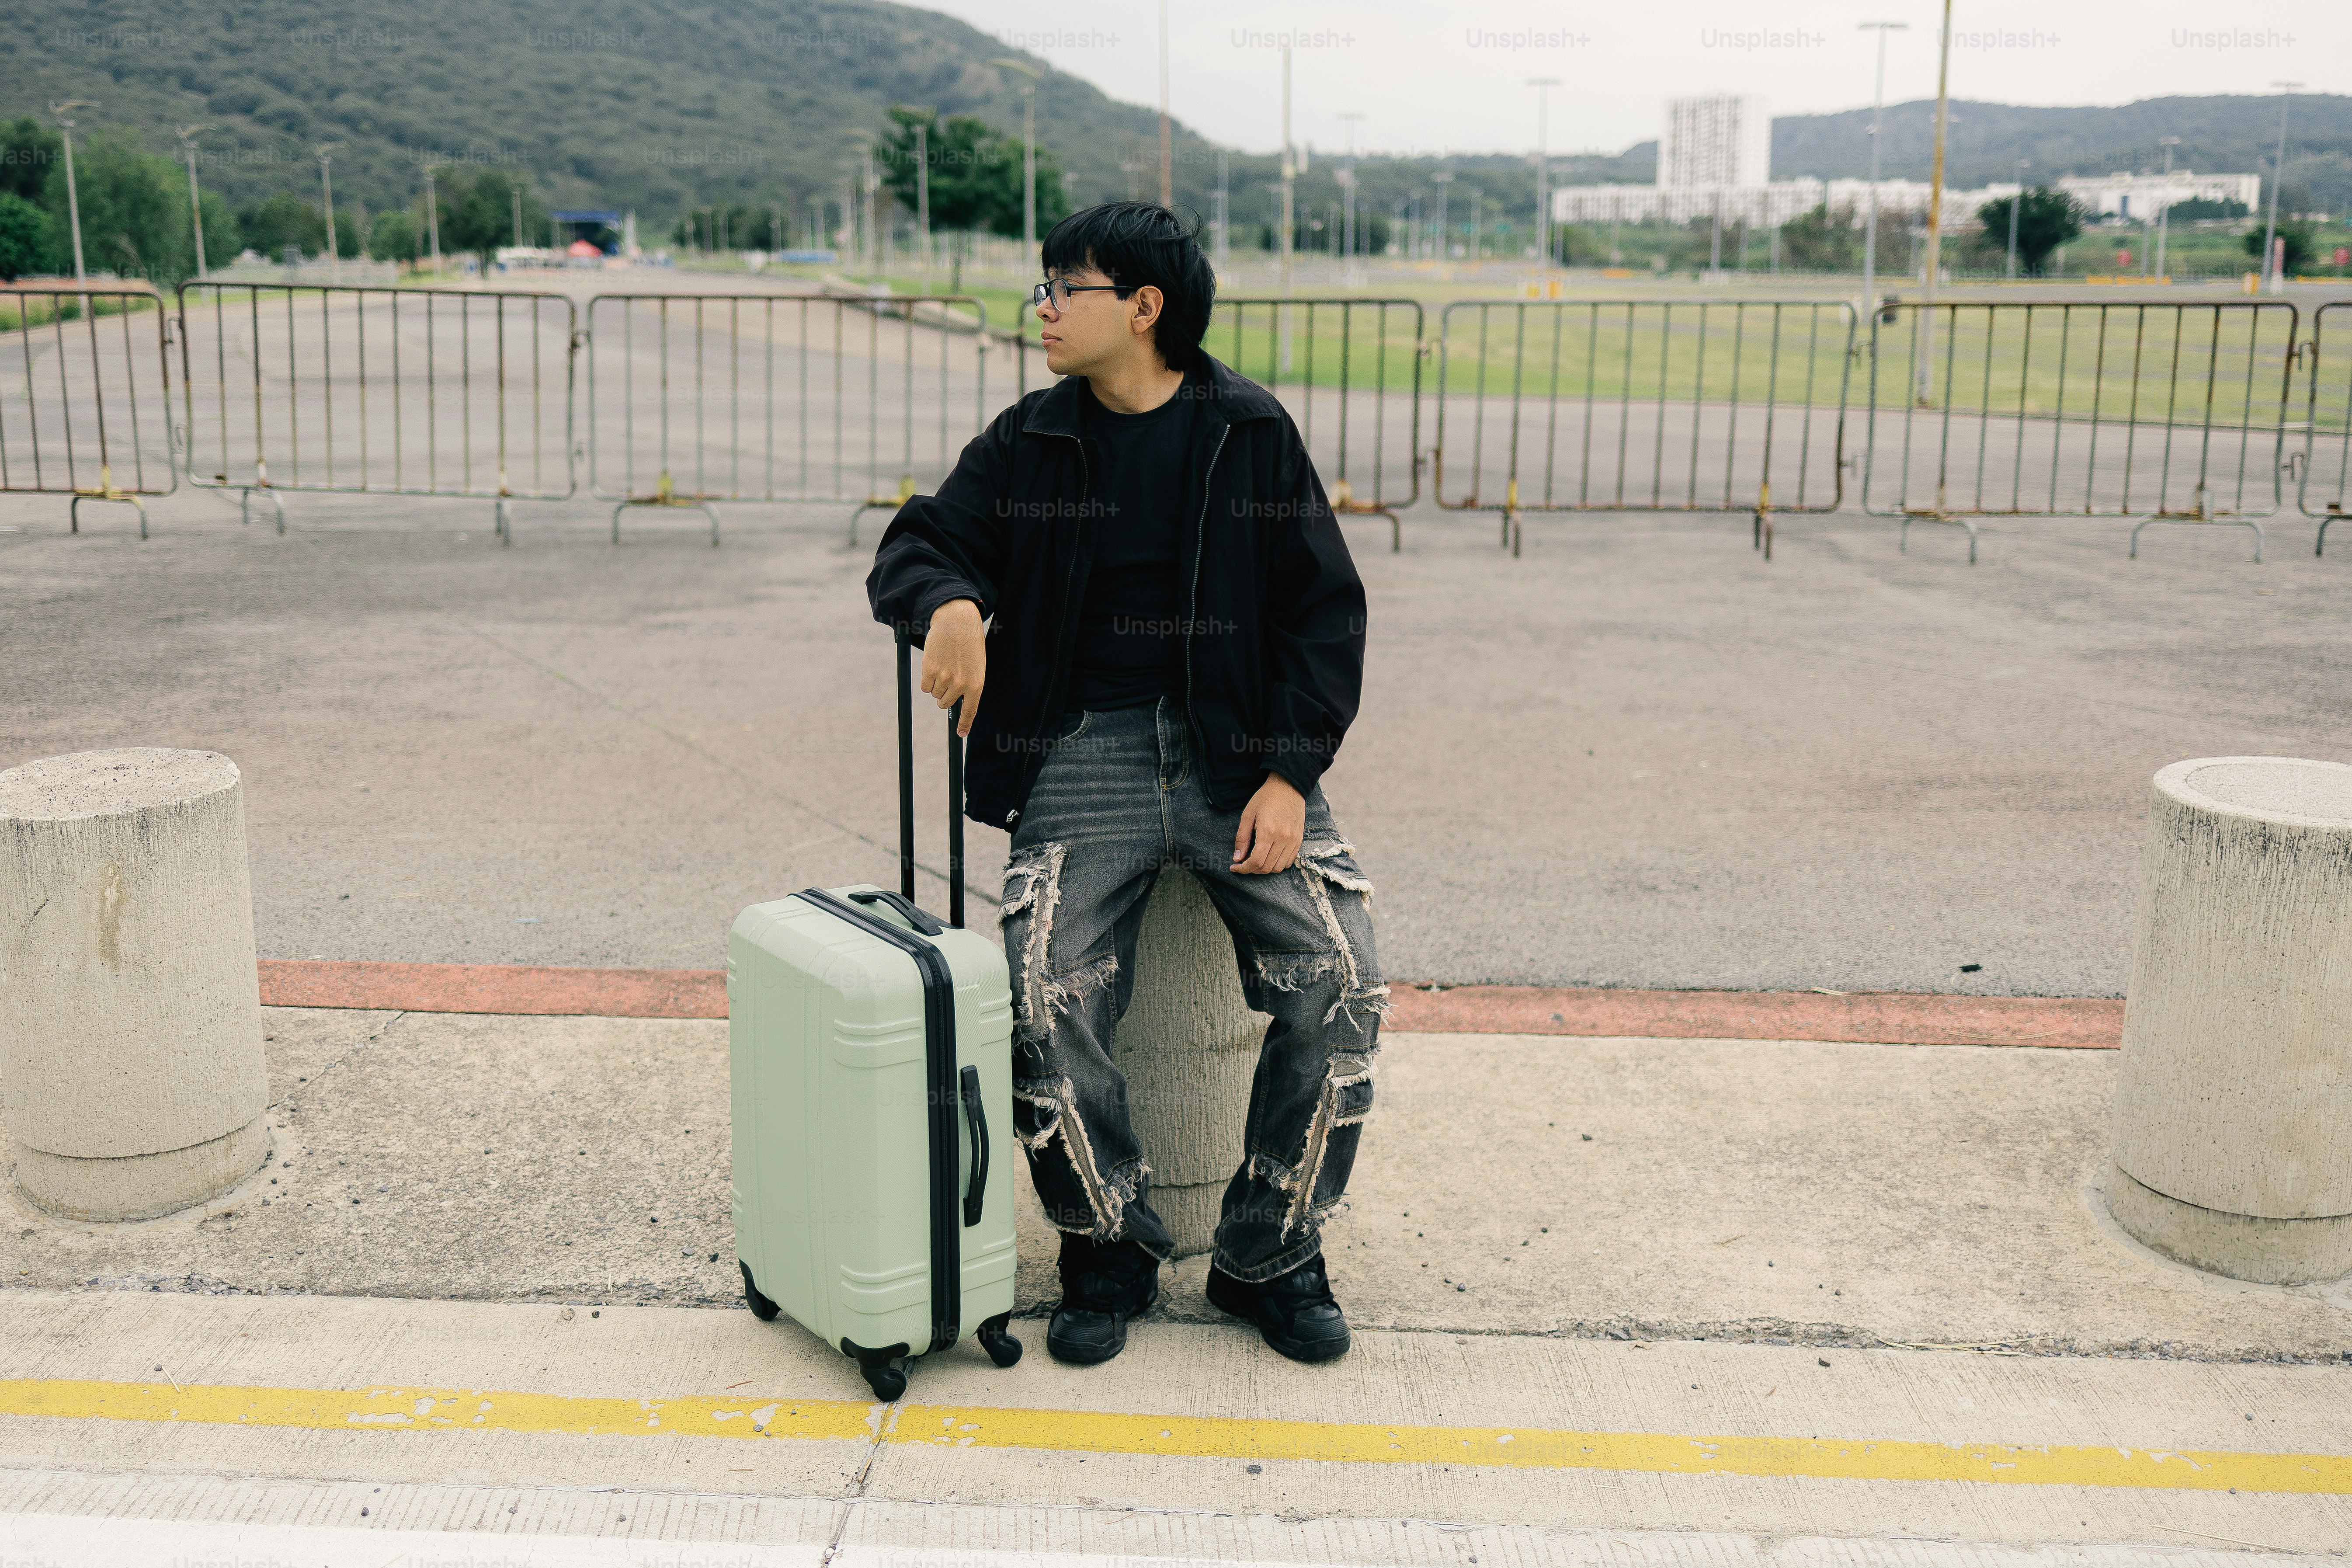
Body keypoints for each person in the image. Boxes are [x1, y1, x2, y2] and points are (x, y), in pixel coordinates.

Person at [866, 202, 1384, 1366]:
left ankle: (1271, 1253)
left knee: (1343, 980)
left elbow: (1324, 612)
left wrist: (1291, 773)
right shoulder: (1031, 441)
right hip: (1080, 750)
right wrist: (949, 601)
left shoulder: (1246, 432)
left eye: (1066, 288)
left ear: (1143, 308)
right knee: (1045, 986)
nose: (1042, 310)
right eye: (1041, 287)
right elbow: (922, 539)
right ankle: (1105, 1245)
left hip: (1235, 752)